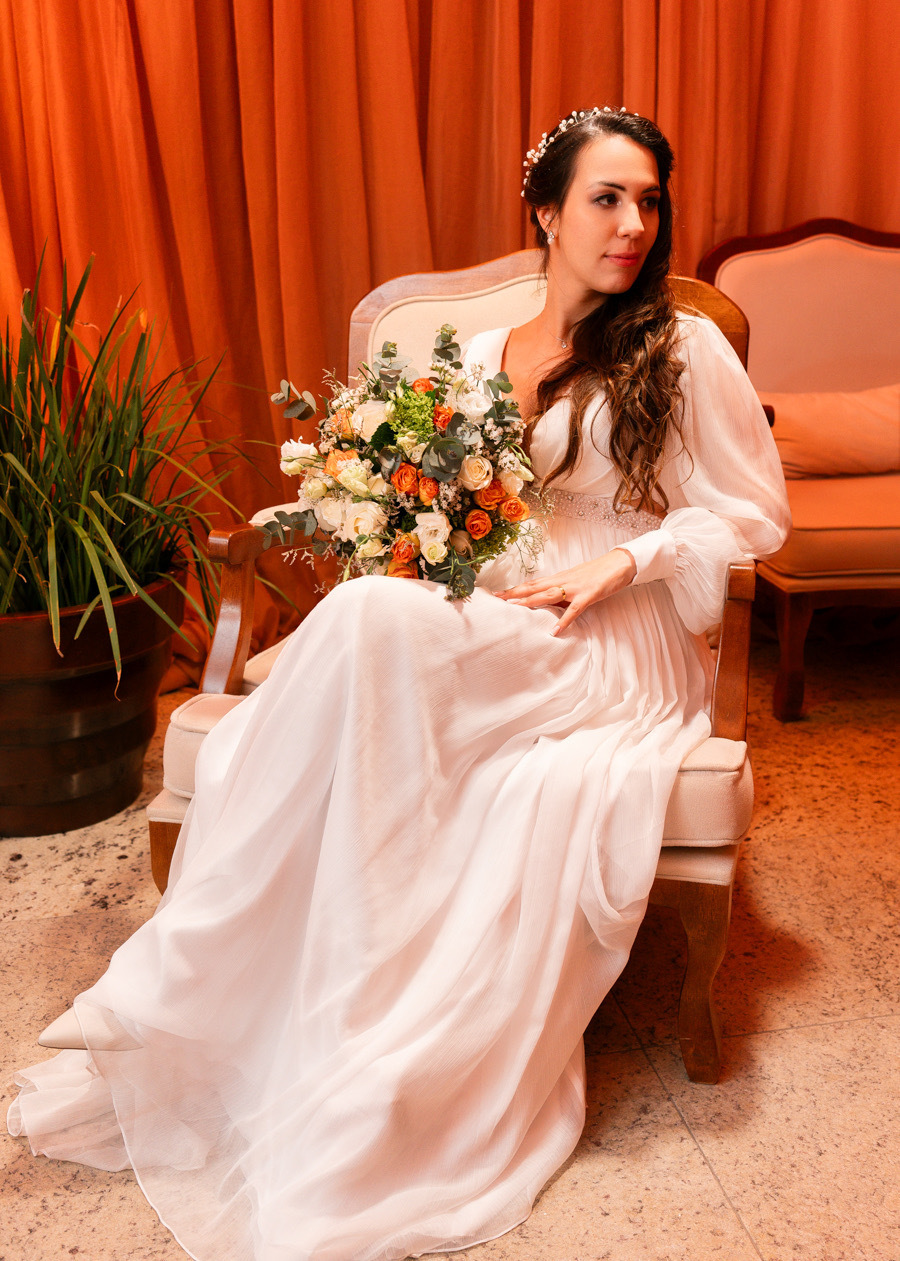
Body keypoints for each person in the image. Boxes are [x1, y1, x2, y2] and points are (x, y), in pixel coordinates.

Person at [8, 107, 790, 1261]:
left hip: (612, 636)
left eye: (649, 201)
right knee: (373, 612)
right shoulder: (473, 359)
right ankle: (293, 989)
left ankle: (190, 983)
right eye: (606, 197)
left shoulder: (681, 347)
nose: (633, 223)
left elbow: (755, 516)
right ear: (547, 212)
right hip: (490, 611)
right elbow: (430, 508)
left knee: (369, 622)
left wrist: (631, 560)